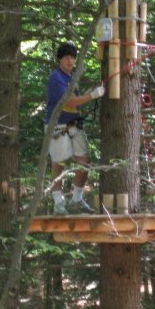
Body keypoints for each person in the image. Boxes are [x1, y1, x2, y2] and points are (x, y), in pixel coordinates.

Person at [45, 42, 104, 215]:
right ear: (60, 59)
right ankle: (58, 203)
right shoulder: (56, 77)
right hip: (57, 125)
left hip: (73, 124)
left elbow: (75, 105)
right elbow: (68, 101)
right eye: (67, 57)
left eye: (72, 57)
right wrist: (92, 95)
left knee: (84, 161)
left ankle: (77, 200)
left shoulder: (71, 79)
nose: (70, 61)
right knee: (59, 162)